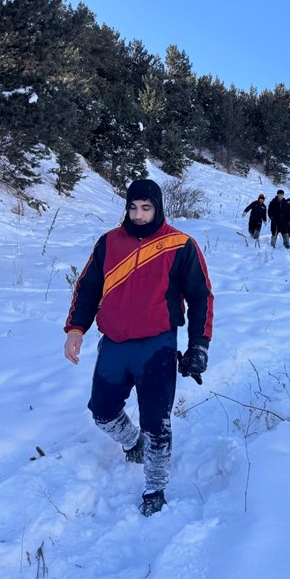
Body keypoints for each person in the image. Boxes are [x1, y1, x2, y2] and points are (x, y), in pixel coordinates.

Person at [64, 179, 214, 517]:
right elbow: (88, 288)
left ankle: (155, 487)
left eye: (146, 208)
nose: (139, 214)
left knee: (156, 422)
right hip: (114, 343)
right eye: (133, 207)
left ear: (158, 207)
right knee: (102, 411)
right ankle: (133, 443)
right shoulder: (109, 243)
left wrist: (199, 345)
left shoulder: (180, 244)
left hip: (157, 344)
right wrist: (76, 329)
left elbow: (201, 297)